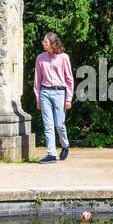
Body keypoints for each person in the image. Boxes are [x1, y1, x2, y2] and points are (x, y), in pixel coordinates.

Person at [34, 31, 74, 164]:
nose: (43, 43)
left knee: (59, 124)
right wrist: (38, 97)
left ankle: (65, 145)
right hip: (45, 93)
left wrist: (68, 98)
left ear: (52, 43)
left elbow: (69, 79)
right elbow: (37, 79)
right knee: (48, 125)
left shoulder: (64, 58)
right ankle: (51, 154)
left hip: (59, 93)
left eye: (45, 41)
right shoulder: (40, 58)